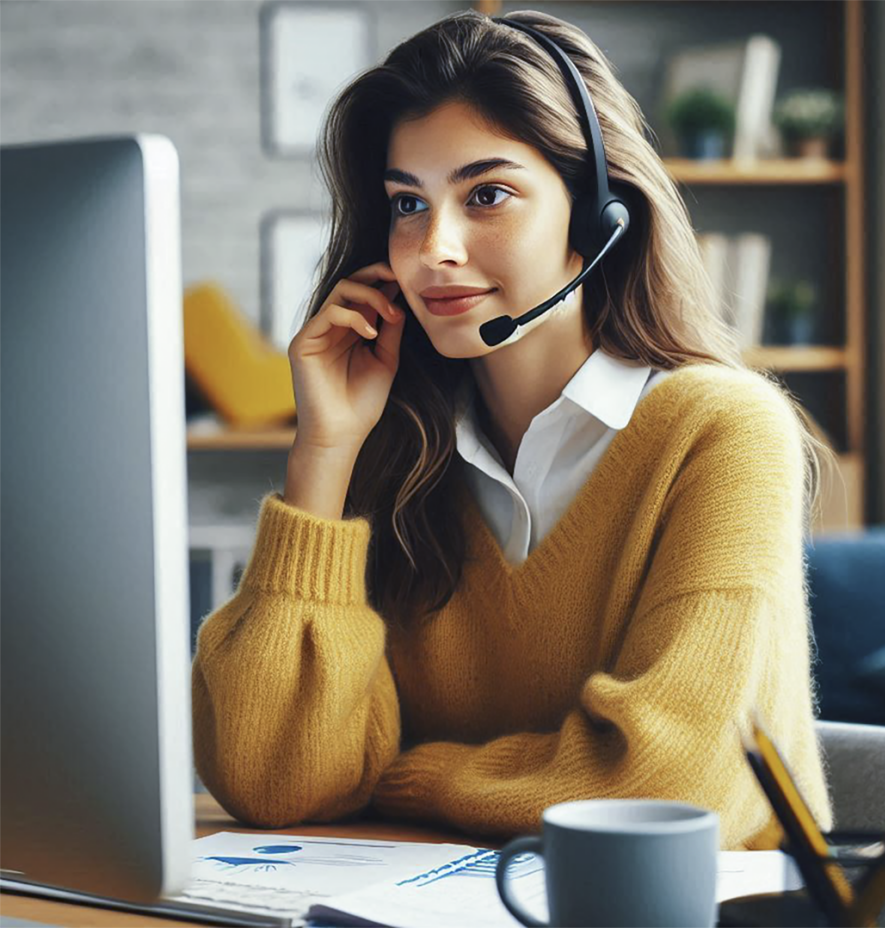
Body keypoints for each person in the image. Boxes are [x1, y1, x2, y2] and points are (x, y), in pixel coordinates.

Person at [192, 9, 837, 849]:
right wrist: (325, 454)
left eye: (486, 195)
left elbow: (666, 789)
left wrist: (399, 774)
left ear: (598, 213)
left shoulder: (722, 431)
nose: (433, 251)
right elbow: (272, 779)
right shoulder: (395, 446)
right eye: (407, 204)